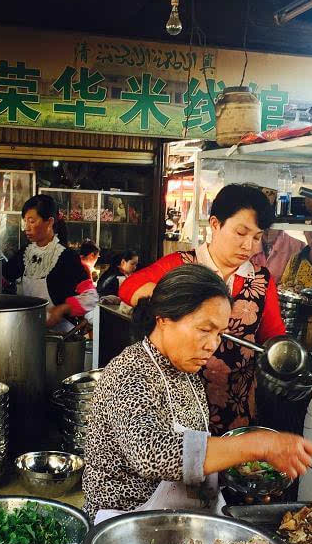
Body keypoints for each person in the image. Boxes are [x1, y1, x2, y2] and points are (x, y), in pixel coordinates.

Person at [82, 264, 312, 517]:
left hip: (179, 524)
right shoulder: (129, 372)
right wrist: (257, 445)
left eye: (219, 334)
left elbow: (194, 454)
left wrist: (240, 477)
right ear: (163, 319)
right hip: (124, 527)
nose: (213, 345)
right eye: (205, 330)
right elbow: (151, 452)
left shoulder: (188, 374)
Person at [120, 184, 286, 434]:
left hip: (236, 406)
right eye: (241, 233)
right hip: (179, 402)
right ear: (216, 224)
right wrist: (171, 299)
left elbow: (273, 335)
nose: (249, 246)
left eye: (256, 237)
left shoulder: (261, 279)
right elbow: (130, 286)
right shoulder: (182, 265)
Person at [2, 194, 97, 332]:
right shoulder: (24, 254)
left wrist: (62, 309)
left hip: (59, 336)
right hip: (28, 332)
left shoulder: (66, 257)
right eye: (25, 222)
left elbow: (91, 297)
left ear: (50, 222)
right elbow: (3, 279)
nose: (26, 228)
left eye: (32, 221)